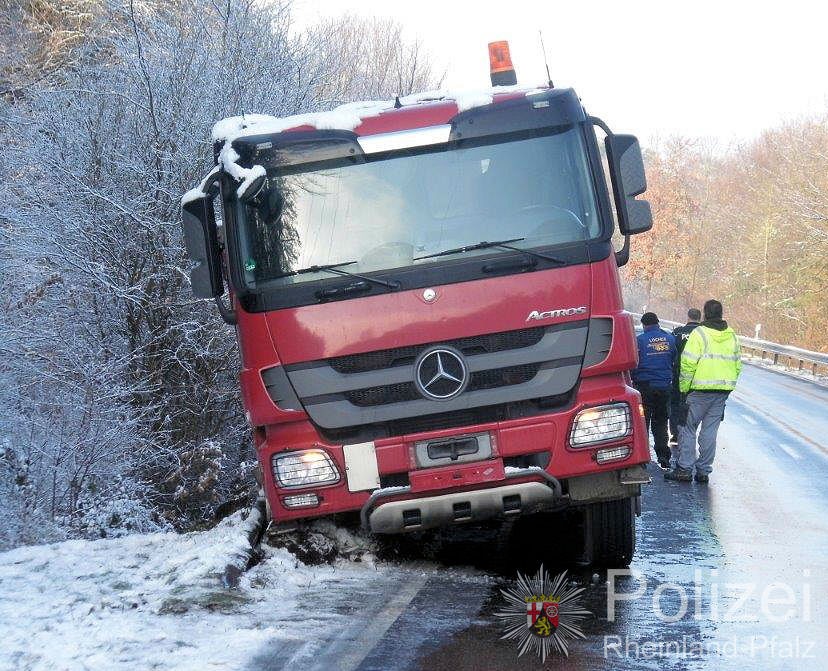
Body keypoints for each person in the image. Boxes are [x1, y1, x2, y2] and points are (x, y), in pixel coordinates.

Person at [666, 299, 742, 483]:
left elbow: (688, 363)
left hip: (698, 390)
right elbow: (737, 365)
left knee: (687, 428)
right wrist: (728, 387)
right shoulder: (731, 335)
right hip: (721, 392)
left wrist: (684, 389)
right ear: (721, 314)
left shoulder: (700, 333)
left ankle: (684, 468)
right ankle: (704, 471)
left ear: (705, 313)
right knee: (710, 431)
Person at [632, 312, 677, 468]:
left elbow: (634, 363)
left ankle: (642, 458)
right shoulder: (670, 339)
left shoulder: (639, 341)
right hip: (664, 386)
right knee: (661, 422)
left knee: (642, 422)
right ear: (658, 323)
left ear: (644, 325)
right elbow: (673, 359)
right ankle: (663, 456)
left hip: (645, 386)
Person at [668, 308, 701, 459]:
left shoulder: (678, 332)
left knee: (675, 405)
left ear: (688, 317)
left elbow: (671, 351)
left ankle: (676, 434)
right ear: (699, 318)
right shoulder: (704, 333)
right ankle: (690, 434)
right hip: (698, 377)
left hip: (678, 374)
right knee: (695, 407)